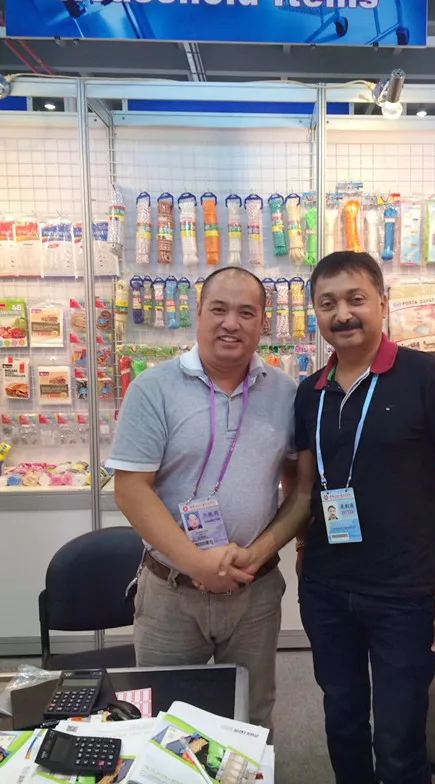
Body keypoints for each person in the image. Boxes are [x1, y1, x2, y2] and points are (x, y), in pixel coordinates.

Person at [229, 252, 435, 784]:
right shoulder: (310, 392)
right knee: (342, 722)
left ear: (382, 304)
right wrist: (289, 550)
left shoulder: (424, 375)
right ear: (315, 313)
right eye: (327, 303)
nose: (342, 314)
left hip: (402, 594)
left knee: (399, 739)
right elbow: (304, 490)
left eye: (355, 299)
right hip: (326, 590)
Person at [107, 266, 297, 730]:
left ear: (263, 322)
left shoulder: (286, 393)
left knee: (251, 717)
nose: (231, 323)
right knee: (163, 719)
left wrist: (259, 552)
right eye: (219, 309)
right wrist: (197, 563)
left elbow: (301, 490)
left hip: (255, 591)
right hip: (171, 592)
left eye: (246, 313)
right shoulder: (153, 388)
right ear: (197, 313)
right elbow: (131, 489)